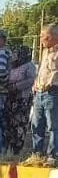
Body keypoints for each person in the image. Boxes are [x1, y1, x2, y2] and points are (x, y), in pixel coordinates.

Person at [27, 23, 58, 166]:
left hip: (53, 92)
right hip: (38, 93)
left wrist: (50, 83)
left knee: (53, 126)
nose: (41, 40)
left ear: (52, 36)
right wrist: (35, 83)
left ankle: (53, 156)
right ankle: (36, 154)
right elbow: (41, 71)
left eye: (43, 36)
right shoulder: (45, 52)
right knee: (36, 124)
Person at [2, 45, 36, 156]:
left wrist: (16, 87)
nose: (13, 56)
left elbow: (31, 80)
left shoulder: (29, 65)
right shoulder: (11, 67)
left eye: (16, 54)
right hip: (10, 98)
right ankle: (8, 147)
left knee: (19, 124)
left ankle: (17, 148)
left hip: (23, 99)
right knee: (8, 123)